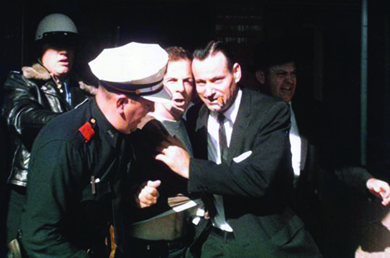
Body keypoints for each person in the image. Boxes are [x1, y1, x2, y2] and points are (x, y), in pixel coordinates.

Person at [154, 40, 322, 257]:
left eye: (217, 80)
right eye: (201, 82)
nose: (209, 91)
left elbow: (258, 178)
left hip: (266, 243)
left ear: (236, 72)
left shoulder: (270, 113)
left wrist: (191, 169)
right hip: (211, 241)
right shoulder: (196, 116)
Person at [17, 42, 171, 257]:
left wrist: (134, 194)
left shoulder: (120, 132)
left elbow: (108, 194)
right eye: (147, 104)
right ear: (121, 104)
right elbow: (40, 236)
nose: (152, 109)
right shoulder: (65, 144)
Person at [252, 40, 390, 207]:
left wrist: (368, 181)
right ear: (261, 77)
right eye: (281, 74)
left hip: (303, 216)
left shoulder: (311, 113)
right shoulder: (247, 116)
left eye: (293, 74)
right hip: (265, 219)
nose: (289, 81)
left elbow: (337, 160)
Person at [1, 13, 96, 249]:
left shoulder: (83, 90)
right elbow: (22, 117)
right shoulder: (21, 82)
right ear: (41, 49)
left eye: (69, 46)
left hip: (72, 191)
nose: (64, 52)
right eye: (56, 45)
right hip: (30, 188)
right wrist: (78, 125)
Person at [119, 46, 197, 258]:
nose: (181, 88)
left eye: (187, 80)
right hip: (147, 249)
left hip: (186, 245)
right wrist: (136, 195)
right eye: (172, 80)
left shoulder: (194, 126)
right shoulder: (138, 128)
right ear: (158, 83)